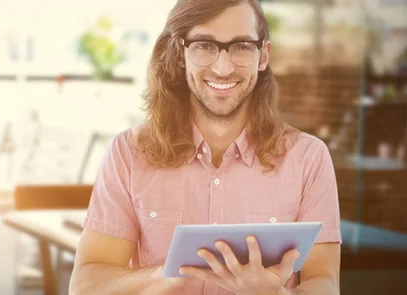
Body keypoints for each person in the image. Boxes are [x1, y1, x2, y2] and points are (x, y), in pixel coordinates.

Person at [69, 0, 341, 294]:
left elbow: (324, 283)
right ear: (180, 54)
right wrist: (165, 274)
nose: (223, 68)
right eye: (204, 46)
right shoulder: (128, 153)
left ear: (263, 56)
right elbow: (86, 286)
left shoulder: (308, 158)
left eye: (241, 46)